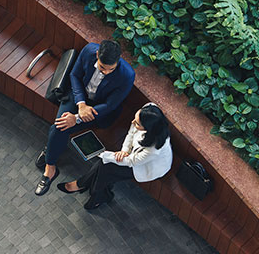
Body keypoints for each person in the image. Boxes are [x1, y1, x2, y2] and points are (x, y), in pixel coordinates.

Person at [34, 40, 135, 195]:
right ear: (97, 55)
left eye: (110, 69)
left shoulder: (127, 75)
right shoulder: (89, 51)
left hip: (99, 109)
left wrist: (77, 118)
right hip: (77, 97)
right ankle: (50, 166)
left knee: (59, 127)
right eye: (102, 67)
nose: (105, 72)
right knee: (59, 126)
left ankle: (50, 156)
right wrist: (81, 104)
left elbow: (110, 105)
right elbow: (74, 75)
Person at [57, 103, 173, 210]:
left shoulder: (154, 149)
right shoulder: (149, 109)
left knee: (105, 166)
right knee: (105, 166)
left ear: (148, 128)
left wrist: (103, 154)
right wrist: (124, 150)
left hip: (144, 167)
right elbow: (131, 133)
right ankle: (95, 194)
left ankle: (83, 185)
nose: (133, 122)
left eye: (137, 124)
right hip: (132, 156)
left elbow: (132, 162)